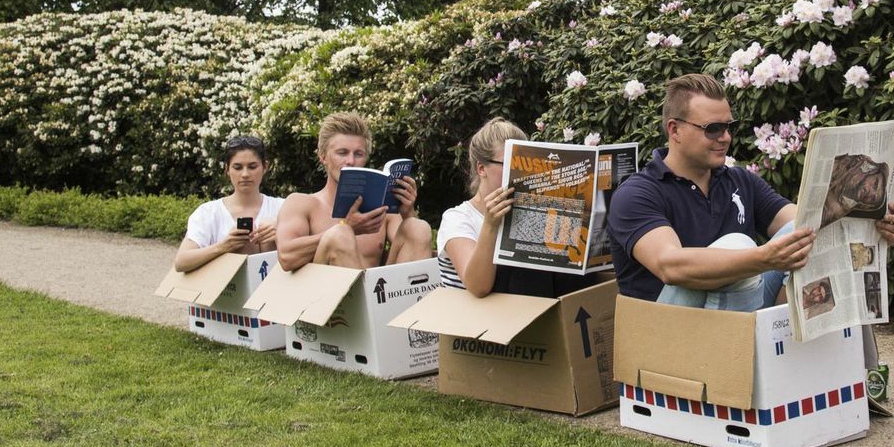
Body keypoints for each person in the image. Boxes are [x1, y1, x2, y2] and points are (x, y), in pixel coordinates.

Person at [607, 73, 894, 310]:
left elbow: (803, 223)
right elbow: (670, 266)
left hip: (742, 308)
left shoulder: (738, 180)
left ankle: (793, 348)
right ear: (674, 130)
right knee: (739, 245)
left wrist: (875, 227)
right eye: (712, 128)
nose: (725, 137)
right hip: (674, 334)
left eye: (728, 127)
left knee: (802, 230)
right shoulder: (637, 193)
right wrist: (763, 258)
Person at [436, 117, 585, 299]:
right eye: (511, 164)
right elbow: (478, 287)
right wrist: (490, 225)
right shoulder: (457, 218)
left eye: (525, 165)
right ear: (482, 168)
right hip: (478, 320)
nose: (521, 174)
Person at [276, 111, 432, 272]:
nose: (350, 161)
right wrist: (348, 227)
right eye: (342, 153)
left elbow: (412, 243)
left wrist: (408, 212)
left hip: (380, 292)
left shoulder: (381, 208)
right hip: (329, 294)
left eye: (358, 154)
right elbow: (286, 257)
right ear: (323, 157)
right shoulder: (301, 203)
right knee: (339, 234)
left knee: (417, 227)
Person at [173, 134, 284, 272]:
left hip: (273, 288)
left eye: (252, 166)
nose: (245, 174)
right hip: (228, 289)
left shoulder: (283, 208)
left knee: (268, 228)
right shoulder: (208, 212)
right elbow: (181, 262)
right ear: (227, 169)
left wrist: (282, 233)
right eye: (237, 167)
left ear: (265, 167)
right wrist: (223, 246)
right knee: (243, 243)